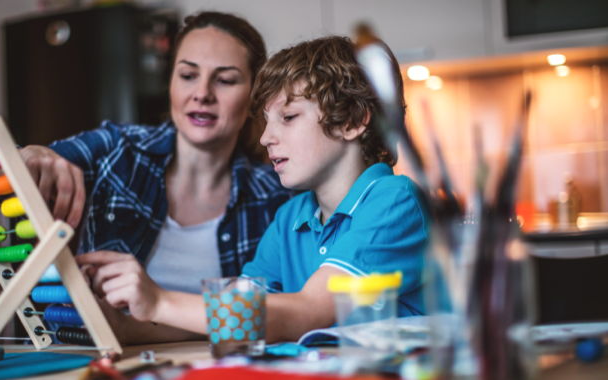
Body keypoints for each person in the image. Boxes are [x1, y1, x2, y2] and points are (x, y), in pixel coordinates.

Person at [77, 35, 429, 343]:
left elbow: (309, 311)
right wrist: (134, 329)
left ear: (352, 120)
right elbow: (242, 314)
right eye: (265, 122)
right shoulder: (290, 217)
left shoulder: (393, 202)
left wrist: (160, 301)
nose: (265, 138)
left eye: (288, 118)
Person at [0, 12, 293, 343]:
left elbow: (270, 317)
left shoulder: (275, 196)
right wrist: (29, 156)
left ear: (255, 94)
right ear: (170, 83)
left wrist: (132, 329)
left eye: (224, 80)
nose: (202, 93)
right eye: (187, 75)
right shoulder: (118, 149)